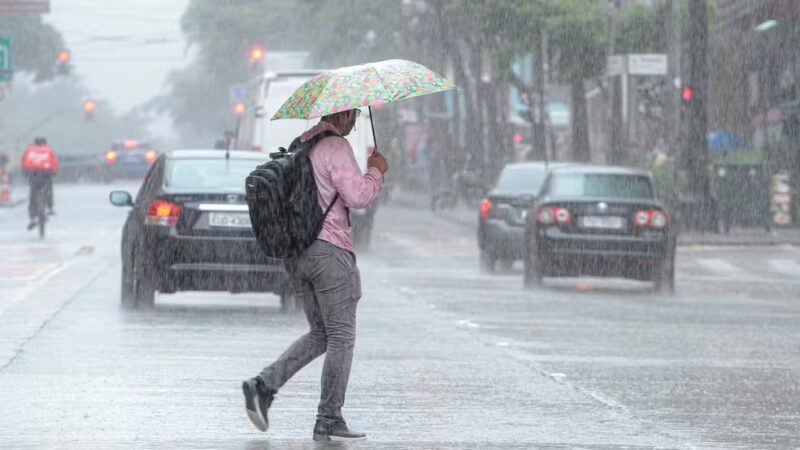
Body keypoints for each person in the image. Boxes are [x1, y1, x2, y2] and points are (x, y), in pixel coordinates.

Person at [242, 108, 389, 441]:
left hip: (298, 253)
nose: (353, 122)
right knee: (341, 337)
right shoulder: (335, 147)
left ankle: (263, 385)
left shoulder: (303, 143)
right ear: (346, 113)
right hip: (329, 251)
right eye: (352, 114)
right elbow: (359, 196)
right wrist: (377, 172)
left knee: (321, 334)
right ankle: (328, 418)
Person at [21, 137, 59, 230]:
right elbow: (54, 163)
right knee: (48, 189)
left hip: (32, 173)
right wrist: (54, 172)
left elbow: (23, 162)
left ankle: (33, 217)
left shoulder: (28, 150)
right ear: (45, 143)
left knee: (33, 195)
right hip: (45, 173)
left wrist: (25, 173)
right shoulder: (49, 150)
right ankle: (49, 207)